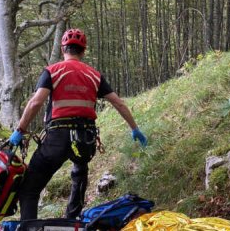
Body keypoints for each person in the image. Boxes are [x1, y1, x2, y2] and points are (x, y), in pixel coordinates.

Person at [8, 28, 147, 220]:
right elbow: (118, 102)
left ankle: (29, 226)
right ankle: (72, 219)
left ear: (63, 49)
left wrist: (20, 130)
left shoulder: (52, 71)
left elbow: (36, 102)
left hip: (57, 138)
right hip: (84, 139)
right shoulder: (94, 75)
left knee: (30, 189)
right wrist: (135, 128)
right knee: (80, 170)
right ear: (83, 51)